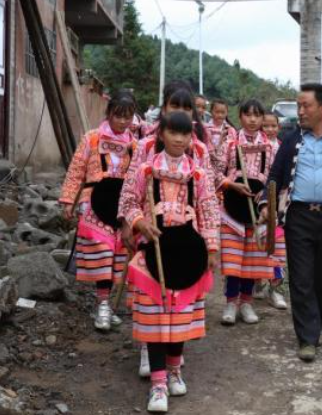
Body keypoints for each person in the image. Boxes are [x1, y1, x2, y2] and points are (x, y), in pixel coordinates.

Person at [123, 111, 220, 412]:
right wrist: (140, 222)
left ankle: (175, 368)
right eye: (173, 133)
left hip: (188, 253)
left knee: (179, 318)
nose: (179, 139)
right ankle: (158, 383)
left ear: (191, 138)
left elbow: (209, 211)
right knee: (154, 319)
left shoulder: (200, 175)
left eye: (185, 134)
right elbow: (127, 202)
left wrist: (212, 248)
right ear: (161, 134)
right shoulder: (144, 171)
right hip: (153, 251)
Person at [259, 83, 322, 362]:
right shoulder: (291, 140)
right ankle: (308, 338)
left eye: (306, 106)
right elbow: (274, 176)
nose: (300, 111)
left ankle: (313, 323)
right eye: (299, 105)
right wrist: (266, 205)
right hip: (298, 218)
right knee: (301, 278)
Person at [59, 90, 138, 331]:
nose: (122, 121)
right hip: (94, 201)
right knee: (102, 252)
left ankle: (107, 304)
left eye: (127, 117)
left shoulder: (135, 145)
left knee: (118, 256)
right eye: (118, 116)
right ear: (109, 113)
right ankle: (103, 304)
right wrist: (68, 201)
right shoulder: (92, 139)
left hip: (121, 205)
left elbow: (137, 178)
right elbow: (76, 170)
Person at [217, 99, 277, 325]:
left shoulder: (270, 148)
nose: (252, 119)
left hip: (258, 211)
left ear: (262, 119)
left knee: (252, 262)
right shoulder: (230, 144)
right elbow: (215, 172)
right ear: (240, 116)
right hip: (232, 211)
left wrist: (265, 206)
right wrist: (232, 185)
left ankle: (247, 303)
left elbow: (273, 180)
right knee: (233, 261)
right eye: (248, 114)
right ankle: (231, 303)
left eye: (257, 115)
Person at [252, 111, 288, 310]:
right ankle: (257, 282)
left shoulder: (284, 148)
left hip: (280, 204)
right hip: (260, 204)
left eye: (273, 125)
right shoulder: (256, 148)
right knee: (258, 244)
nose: (270, 129)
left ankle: (275, 290)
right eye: (265, 126)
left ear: (279, 127)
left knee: (279, 248)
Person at [205, 99, 238, 175]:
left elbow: (234, 149)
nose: (220, 115)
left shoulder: (231, 130)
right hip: (209, 165)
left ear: (226, 113)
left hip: (226, 166)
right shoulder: (205, 129)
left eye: (223, 112)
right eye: (217, 112)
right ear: (211, 112)